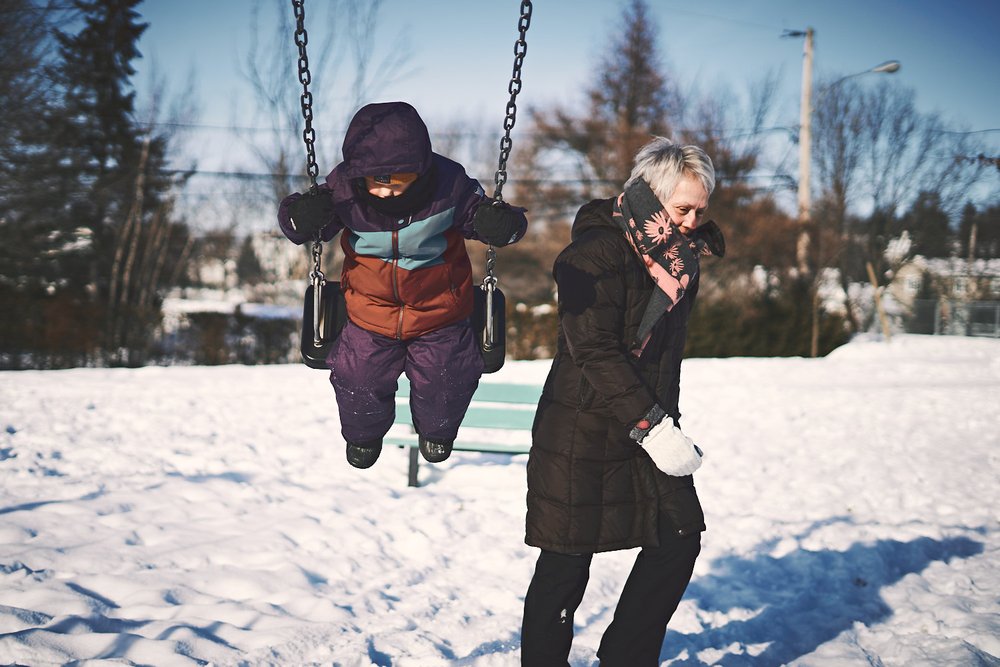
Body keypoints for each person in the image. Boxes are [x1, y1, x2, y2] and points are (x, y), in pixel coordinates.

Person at [520, 137, 725, 666]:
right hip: (584, 427)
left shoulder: (679, 259)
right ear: (651, 198)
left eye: (701, 210)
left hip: (647, 424)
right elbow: (592, 347)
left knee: (678, 538)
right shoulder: (595, 251)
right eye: (683, 209)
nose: (692, 221)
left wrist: (658, 425)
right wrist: (654, 427)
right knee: (566, 562)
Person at [277, 101, 527, 469]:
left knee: (448, 378)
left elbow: (493, 220)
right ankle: (363, 436)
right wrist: (300, 217)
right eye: (376, 181)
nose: (386, 191)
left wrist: (503, 225)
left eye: (397, 181)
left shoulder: (449, 186)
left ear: (420, 170)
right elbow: (297, 224)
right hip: (369, 313)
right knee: (357, 378)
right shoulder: (345, 190)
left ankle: (437, 431)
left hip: (440, 312)